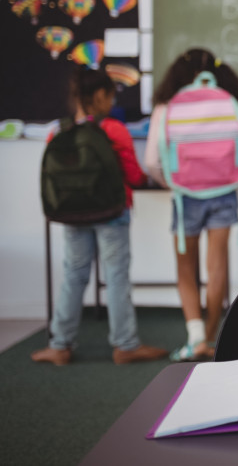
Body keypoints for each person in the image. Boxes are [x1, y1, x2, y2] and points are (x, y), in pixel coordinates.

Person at [32, 67, 168, 365]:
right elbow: (132, 175)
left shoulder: (59, 131)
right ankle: (125, 345)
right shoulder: (113, 129)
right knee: (116, 276)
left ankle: (60, 345)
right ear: (99, 95)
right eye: (109, 95)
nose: (111, 101)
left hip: (72, 214)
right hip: (111, 214)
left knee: (73, 275)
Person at [144, 48, 238, 362]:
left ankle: (194, 338)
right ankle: (211, 336)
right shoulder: (228, 98)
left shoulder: (167, 106)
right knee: (217, 268)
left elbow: (151, 161)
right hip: (224, 191)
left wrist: (172, 182)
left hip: (185, 195)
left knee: (185, 269)